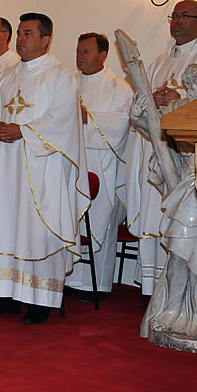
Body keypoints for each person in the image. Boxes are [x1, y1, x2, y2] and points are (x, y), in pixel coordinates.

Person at [0, 13, 89, 324]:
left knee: (35, 229)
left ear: (46, 39)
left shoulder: (60, 77)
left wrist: (23, 131)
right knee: (4, 223)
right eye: (19, 33)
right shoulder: (7, 76)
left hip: (41, 168)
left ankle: (39, 301)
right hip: (5, 166)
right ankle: (4, 296)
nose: (20, 39)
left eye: (28, 33)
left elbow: (63, 120)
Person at [125, 0, 197, 295]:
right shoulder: (160, 61)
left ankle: (189, 292)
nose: (176, 21)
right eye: (174, 16)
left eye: (184, 16)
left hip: (191, 157)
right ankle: (153, 290)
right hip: (159, 148)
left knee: (185, 223)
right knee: (156, 215)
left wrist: (179, 101)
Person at [66, 32, 132, 296]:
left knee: (98, 222)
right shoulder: (68, 84)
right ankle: (70, 280)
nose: (80, 56)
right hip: (72, 163)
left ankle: (97, 286)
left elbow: (121, 124)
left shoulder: (118, 88)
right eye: (78, 51)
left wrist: (88, 118)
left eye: (86, 51)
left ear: (103, 55)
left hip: (102, 165)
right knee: (71, 220)